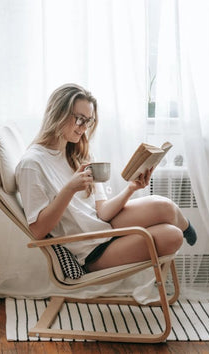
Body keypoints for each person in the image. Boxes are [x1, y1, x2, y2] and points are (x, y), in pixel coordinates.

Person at [15, 83, 196, 273]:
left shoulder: (78, 153)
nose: (84, 128)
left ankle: (187, 227)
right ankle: (181, 230)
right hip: (90, 250)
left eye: (89, 121)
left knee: (165, 207)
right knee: (172, 237)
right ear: (58, 113)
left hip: (103, 227)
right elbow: (37, 231)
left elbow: (101, 211)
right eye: (79, 119)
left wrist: (131, 188)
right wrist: (69, 190)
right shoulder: (32, 164)